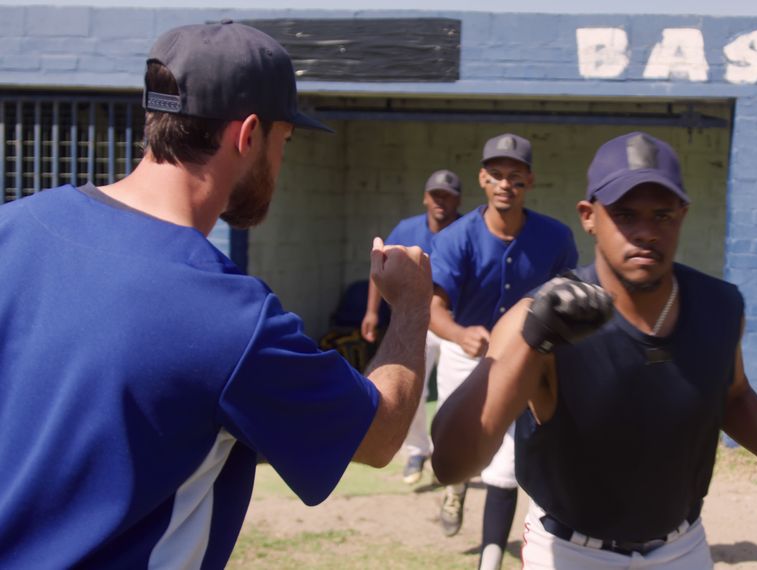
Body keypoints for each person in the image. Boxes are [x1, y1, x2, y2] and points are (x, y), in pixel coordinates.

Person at [0, 21, 431, 567]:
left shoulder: (13, 228)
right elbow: (381, 432)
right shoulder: (231, 316)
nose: (281, 162)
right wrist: (414, 302)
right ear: (248, 134)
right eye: (284, 141)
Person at [431, 132, 757, 569]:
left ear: (683, 215)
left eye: (662, 215)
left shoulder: (719, 306)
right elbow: (451, 462)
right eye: (625, 214)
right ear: (588, 216)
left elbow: (733, 395)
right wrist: (531, 341)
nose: (646, 232)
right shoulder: (542, 318)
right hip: (572, 551)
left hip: (682, 546)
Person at [428, 133, 579, 568]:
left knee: (506, 464)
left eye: (515, 177)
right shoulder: (459, 237)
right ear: (482, 179)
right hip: (467, 351)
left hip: (524, 358)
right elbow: (433, 309)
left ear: (529, 181)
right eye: (496, 176)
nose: (505, 185)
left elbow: (567, 301)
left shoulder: (554, 236)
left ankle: (489, 560)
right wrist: (457, 333)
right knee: (454, 452)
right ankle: (455, 488)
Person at [362, 169, 463, 484]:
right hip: (414, 322)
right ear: (425, 197)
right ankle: (417, 450)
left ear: (457, 199)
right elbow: (380, 268)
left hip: (453, 322)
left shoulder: (467, 229)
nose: (440, 201)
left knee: (453, 391)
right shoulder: (407, 229)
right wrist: (371, 312)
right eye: (435, 195)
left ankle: (445, 452)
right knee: (412, 389)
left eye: (447, 196)